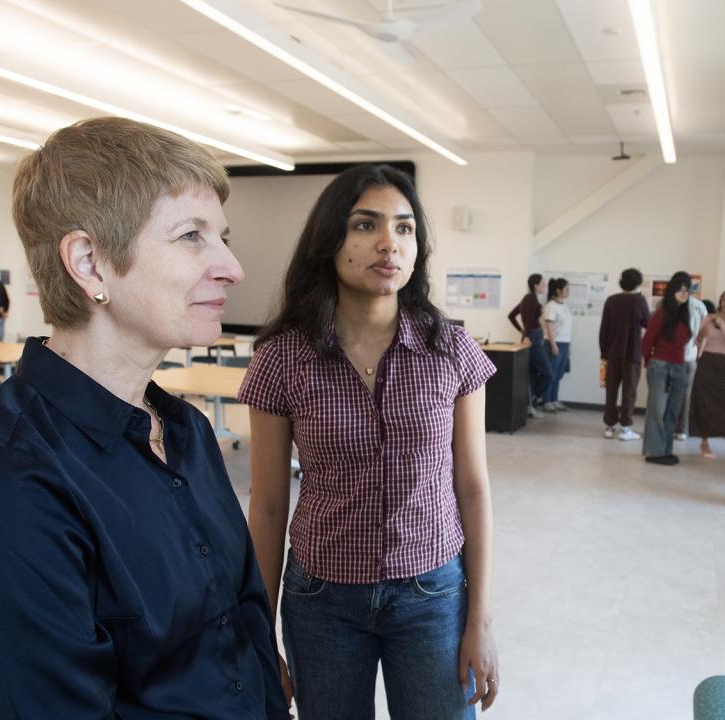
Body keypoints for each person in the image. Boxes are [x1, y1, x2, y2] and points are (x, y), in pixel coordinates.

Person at [0, 117, 287, 719]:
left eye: (223, 237)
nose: (232, 266)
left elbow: (242, 620)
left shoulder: (186, 431)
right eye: (191, 236)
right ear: (89, 263)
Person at [241, 164, 500, 719]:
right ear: (329, 241)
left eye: (405, 228)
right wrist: (260, 633)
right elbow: (265, 506)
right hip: (321, 600)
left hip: (432, 592)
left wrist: (480, 619)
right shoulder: (283, 358)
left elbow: (473, 488)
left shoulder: (450, 349)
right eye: (365, 225)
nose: (389, 243)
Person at [640, 272, 694, 465]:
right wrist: (649, 362)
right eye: (680, 290)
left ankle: (665, 450)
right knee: (657, 410)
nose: (684, 294)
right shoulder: (662, 313)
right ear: (672, 290)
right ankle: (654, 452)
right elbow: (646, 342)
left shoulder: (684, 315)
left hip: (679, 367)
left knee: (672, 412)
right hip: (661, 366)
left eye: (687, 291)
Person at [691, 288, 725, 459]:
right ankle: (704, 444)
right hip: (706, 361)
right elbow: (697, 339)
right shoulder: (709, 318)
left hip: (724, 364)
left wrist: (721, 323)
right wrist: (701, 335)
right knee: (704, 402)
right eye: (723, 299)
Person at [599, 268, 649, 440]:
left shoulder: (611, 301)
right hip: (632, 353)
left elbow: (603, 330)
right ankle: (626, 429)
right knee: (629, 392)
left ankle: (609, 427)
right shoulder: (640, 301)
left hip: (612, 353)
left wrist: (603, 353)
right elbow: (648, 323)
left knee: (611, 390)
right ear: (637, 283)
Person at [507, 272, 552, 416]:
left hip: (532, 337)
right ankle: (532, 399)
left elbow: (512, 315)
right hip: (533, 339)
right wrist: (525, 335)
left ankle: (529, 406)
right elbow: (527, 320)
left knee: (532, 374)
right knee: (548, 374)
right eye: (542, 283)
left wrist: (522, 332)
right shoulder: (531, 298)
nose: (545, 286)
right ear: (535, 285)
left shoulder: (529, 298)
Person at [672, 272, 708, 441]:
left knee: (669, 393)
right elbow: (704, 334)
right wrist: (699, 354)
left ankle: (669, 427)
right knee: (686, 395)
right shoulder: (700, 306)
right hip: (690, 357)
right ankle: (682, 430)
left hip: (669, 359)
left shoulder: (667, 305)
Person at [542, 277, 573, 412]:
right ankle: (547, 401)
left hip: (564, 344)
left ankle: (555, 399)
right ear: (558, 290)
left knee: (559, 374)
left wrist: (569, 346)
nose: (568, 291)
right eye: (566, 289)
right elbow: (548, 326)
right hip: (553, 343)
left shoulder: (564, 306)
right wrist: (554, 345)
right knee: (551, 374)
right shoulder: (551, 306)